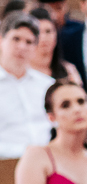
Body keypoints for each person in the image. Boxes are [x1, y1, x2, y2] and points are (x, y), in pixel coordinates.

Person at [0, 12, 53, 158]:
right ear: (1, 40)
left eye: (29, 42)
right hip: (6, 163)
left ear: (35, 48)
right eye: (16, 39)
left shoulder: (47, 85)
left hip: (49, 160)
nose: (22, 47)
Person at [28, 7, 80, 83]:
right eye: (38, 32)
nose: (43, 38)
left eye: (48, 31)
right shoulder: (22, 71)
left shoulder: (68, 70)